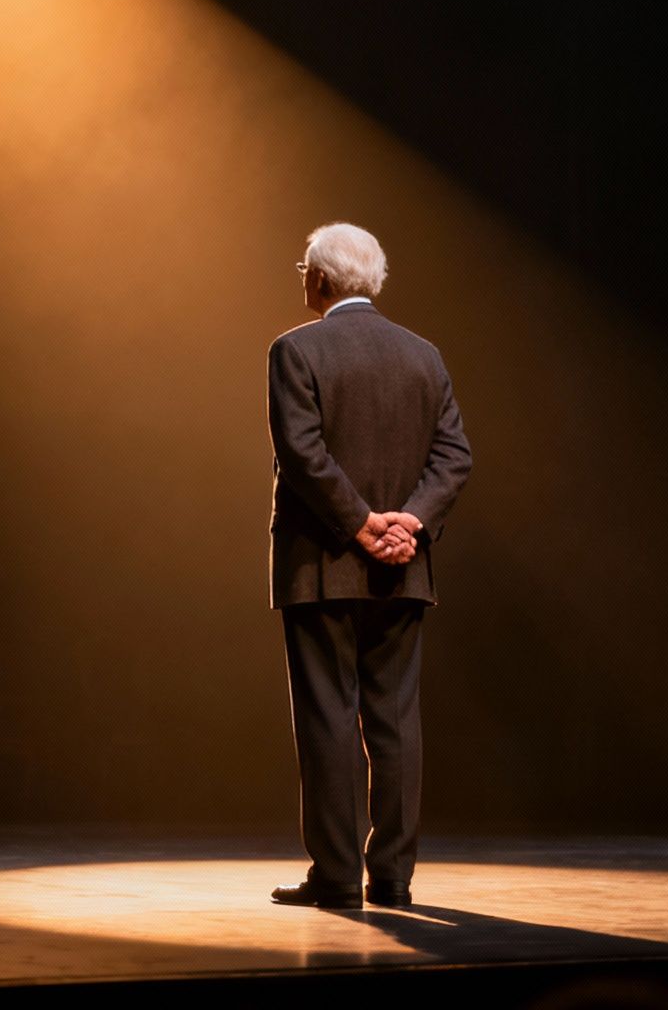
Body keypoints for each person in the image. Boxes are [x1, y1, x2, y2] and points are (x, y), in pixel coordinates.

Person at [266, 222, 473, 910]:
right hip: (403, 567)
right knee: (395, 720)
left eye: (304, 269)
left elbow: (302, 454)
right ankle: (393, 877)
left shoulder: (295, 349)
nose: (303, 278)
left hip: (322, 565)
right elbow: (454, 457)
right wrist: (407, 522)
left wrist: (359, 524)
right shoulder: (424, 355)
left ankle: (335, 880)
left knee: (329, 718)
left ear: (320, 280)